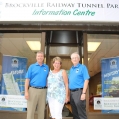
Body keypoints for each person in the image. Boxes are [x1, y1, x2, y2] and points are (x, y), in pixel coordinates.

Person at [25, 51, 49, 119]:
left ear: (43, 57)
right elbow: (27, 80)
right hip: (33, 90)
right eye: (38, 56)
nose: (40, 57)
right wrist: (26, 92)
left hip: (43, 91)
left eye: (41, 56)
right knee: (31, 110)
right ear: (36, 57)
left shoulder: (46, 67)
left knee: (41, 111)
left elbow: (48, 79)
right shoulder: (32, 67)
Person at [68, 52, 90, 119]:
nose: (74, 59)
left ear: (79, 59)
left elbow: (86, 80)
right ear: (71, 60)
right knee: (75, 114)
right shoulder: (71, 69)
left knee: (81, 114)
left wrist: (83, 93)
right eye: (73, 58)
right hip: (72, 93)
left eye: (76, 57)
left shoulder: (83, 67)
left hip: (79, 92)